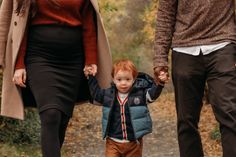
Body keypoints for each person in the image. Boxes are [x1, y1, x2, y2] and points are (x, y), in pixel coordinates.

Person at [0, 0, 112, 157]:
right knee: (51, 114)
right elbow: (20, 22)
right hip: (39, 56)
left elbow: (89, 23)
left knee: (62, 119)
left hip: (73, 60)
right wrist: (18, 64)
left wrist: (91, 59)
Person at [153, 0, 236, 157]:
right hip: (184, 48)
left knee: (229, 112)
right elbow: (165, 15)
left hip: (222, 43)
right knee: (186, 120)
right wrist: (160, 59)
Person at [84, 59, 168, 157]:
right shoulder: (108, 95)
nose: (123, 83)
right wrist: (90, 77)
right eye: (119, 79)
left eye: (127, 79)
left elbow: (152, 95)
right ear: (114, 79)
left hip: (133, 143)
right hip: (113, 142)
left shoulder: (140, 95)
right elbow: (96, 93)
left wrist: (160, 83)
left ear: (134, 79)